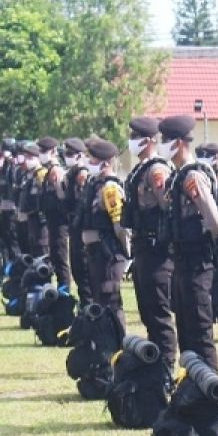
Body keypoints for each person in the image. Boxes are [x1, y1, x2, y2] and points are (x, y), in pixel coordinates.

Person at [159, 116, 218, 372]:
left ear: (177, 143)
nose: (162, 145)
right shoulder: (177, 177)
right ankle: (193, 388)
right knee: (186, 331)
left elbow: (216, 224)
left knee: (200, 332)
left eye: (166, 141)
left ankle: (212, 394)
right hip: (182, 262)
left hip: (198, 264)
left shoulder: (192, 178)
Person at [123, 116, 177, 376]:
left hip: (158, 251)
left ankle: (166, 369)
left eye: (135, 137)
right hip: (142, 248)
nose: (131, 142)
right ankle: (156, 366)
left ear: (147, 141)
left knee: (159, 314)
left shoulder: (157, 171)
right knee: (148, 313)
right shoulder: (140, 170)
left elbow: (168, 208)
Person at [80, 138, 129, 326]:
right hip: (96, 253)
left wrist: (127, 254)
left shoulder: (110, 189)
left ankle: (117, 341)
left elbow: (120, 226)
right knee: (100, 300)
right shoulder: (95, 184)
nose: (88, 164)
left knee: (111, 302)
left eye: (92, 160)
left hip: (108, 254)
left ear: (106, 163)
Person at [35, 136, 72, 291]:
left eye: (44, 151)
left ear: (54, 152)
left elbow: (62, 197)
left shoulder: (55, 172)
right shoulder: (49, 171)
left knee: (60, 258)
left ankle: (64, 291)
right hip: (52, 222)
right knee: (56, 258)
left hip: (59, 223)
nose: (41, 154)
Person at [63, 137, 93, 305]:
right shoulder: (71, 174)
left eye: (71, 154)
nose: (67, 156)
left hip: (81, 229)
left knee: (83, 269)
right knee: (76, 269)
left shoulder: (82, 174)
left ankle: (88, 305)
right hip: (73, 227)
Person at [15, 143, 44, 258]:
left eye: (30, 158)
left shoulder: (41, 174)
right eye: (26, 157)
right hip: (28, 218)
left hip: (38, 220)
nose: (27, 161)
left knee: (39, 252)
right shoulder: (27, 174)